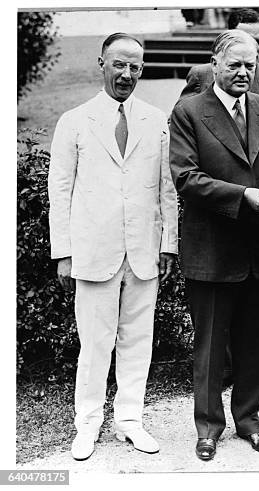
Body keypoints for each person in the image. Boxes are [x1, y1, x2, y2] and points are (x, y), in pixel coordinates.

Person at [48, 33, 178, 461]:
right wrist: (64, 252)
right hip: (94, 251)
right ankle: (86, 423)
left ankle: (129, 420)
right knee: (95, 342)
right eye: (119, 64)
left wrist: (168, 243)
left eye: (135, 67)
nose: (127, 74)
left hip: (143, 251)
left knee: (138, 341)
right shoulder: (75, 120)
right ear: (101, 62)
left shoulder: (156, 120)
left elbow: (167, 189)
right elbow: (60, 188)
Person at [169, 29, 259, 462]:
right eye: (234, 64)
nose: (242, 72)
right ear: (215, 64)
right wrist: (242, 197)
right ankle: (208, 426)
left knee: (255, 340)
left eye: (250, 65)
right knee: (211, 344)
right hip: (212, 247)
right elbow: (186, 177)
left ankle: (249, 419)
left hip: (258, 246)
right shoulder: (189, 111)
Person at [180, 8, 259, 158]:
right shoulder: (201, 75)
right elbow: (179, 122)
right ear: (228, 37)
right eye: (245, 39)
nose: (253, 47)